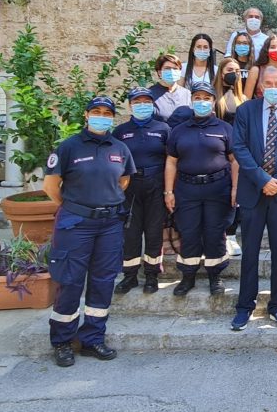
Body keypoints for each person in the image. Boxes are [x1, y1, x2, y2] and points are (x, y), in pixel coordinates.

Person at [43, 96, 136, 367]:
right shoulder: (68, 147)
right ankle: (62, 341)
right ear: (86, 115)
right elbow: (51, 187)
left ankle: (93, 338)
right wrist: (75, 207)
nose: (101, 116)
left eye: (107, 113)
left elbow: (124, 180)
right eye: (96, 112)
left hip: (109, 224)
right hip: (76, 224)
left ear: (112, 118)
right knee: (70, 281)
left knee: (103, 281)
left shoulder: (119, 148)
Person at [231, 66, 277, 331]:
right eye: (269, 83)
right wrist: (262, 179)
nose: (273, 87)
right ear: (260, 85)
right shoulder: (245, 111)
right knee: (249, 251)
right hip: (253, 191)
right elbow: (238, 147)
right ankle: (244, 306)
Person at [164, 82, 238, 296]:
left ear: (214, 102)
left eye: (206, 98)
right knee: (189, 231)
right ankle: (188, 276)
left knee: (215, 232)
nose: (202, 102)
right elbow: (171, 162)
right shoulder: (179, 131)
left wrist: (235, 188)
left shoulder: (225, 128)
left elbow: (234, 161)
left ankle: (216, 276)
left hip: (218, 188)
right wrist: (169, 192)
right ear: (192, 101)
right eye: (198, 98)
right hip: (187, 189)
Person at [112, 87, 171, 295]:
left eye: (146, 101)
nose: (142, 105)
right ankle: (129, 276)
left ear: (153, 104)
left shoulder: (163, 129)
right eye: (137, 102)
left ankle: (152, 275)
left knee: (154, 231)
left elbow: (171, 160)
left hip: (156, 184)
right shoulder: (120, 132)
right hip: (130, 187)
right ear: (130, 105)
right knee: (131, 232)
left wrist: (169, 191)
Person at [214, 57, 247, 256]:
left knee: (237, 195)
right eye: (229, 69)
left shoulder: (242, 98)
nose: (233, 72)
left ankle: (231, 234)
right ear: (221, 72)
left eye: (236, 69)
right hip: (219, 151)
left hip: (238, 153)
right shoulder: (215, 97)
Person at [244, 34, 277, 102]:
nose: (276, 50)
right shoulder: (256, 71)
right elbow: (246, 100)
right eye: (272, 47)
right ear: (266, 50)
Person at [149, 54, 191, 123]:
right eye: (167, 68)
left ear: (180, 72)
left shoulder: (187, 94)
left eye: (175, 69)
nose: (171, 71)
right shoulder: (150, 94)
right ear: (159, 72)